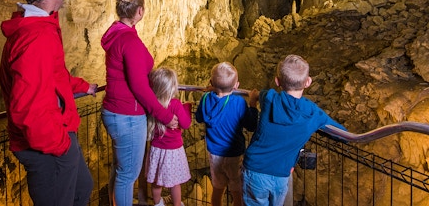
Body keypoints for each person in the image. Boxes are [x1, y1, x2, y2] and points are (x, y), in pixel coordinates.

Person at [0, 0, 98, 206]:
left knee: (82, 188)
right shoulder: (36, 37)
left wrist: (81, 86)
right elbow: (28, 105)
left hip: (57, 135)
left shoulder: (41, 27)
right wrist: (60, 144)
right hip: (48, 145)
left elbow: (52, 75)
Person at [101, 0, 178, 206]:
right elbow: (139, 87)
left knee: (120, 169)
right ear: (140, 11)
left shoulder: (117, 34)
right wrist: (163, 115)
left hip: (115, 111)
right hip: (127, 115)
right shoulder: (129, 42)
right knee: (128, 176)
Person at [242, 54, 347, 206]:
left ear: (277, 82)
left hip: (255, 170)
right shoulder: (313, 113)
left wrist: (253, 97)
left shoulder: (269, 98)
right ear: (308, 82)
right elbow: (342, 134)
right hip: (281, 175)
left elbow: (259, 94)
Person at [195, 61, 259, 206]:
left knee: (217, 188)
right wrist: (253, 104)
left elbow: (199, 117)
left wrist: (210, 92)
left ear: (211, 82)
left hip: (214, 153)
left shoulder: (205, 99)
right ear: (236, 85)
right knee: (237, 191)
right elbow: (251, 125)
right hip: (234, 154)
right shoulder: (238, 103)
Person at [146, 67, 192, 206]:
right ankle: (177, 204)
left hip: (157, 149)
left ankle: (158, 203)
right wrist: (187, 109)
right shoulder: (176, 105)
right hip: (173, 150)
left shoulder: (151, 104)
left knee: (156, 181)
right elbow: (186, 124)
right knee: (175, 182)